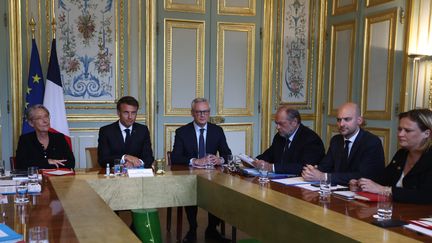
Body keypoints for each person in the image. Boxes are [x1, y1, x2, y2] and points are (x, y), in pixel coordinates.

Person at [171, 98, 231, 243]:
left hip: (212, 175)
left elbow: (227, 154)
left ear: (209, 113)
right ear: (192, 113)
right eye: (198, 112)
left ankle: (211, 229)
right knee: (191, 189)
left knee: (218, 191)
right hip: (191, 175)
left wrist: (220, 160)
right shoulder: (182, 132)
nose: (202, 115)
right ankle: (192, 229)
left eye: (205, 112)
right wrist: (195, 161)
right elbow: (175, 157)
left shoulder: (217, 131)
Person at [350, 109, 432, 204]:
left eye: (407, 130)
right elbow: (383, 180)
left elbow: (426, 196)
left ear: (426, 133)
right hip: (394, 211)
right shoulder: (401, 154)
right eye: (399, 129)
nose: (400, 134)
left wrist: (385, 190)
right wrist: (362, 184)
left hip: (421, 215)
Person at [302, 102, 384, 185]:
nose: (341, 124)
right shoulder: (336, 140)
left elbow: (363, 176)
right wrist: (313, 170)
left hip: (362, 193)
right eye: (339, 120)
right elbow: (325, 166)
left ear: (359, 120)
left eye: (347, 119)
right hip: (337, 191)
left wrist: (324, 177)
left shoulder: (371, 142)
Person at [253, 106, 325, 174]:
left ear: (294, 122)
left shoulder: (311, 139)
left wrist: (271, 167)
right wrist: (253, 162)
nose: (277, 127)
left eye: (281, 124)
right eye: (276, 123)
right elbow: (269, 155)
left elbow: (304, 167)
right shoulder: (279, 136)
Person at [98, 96, 154, 168]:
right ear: (118, 113)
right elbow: (103, 160)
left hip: (137, 175)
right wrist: (124, 157)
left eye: (133, 113)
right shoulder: (106, 131)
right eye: (126, 113)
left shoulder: (143, 130)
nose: (130, 117)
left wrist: (135, 164)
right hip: (114, 175)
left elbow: (149, 158)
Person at [16, 104, 75, 169]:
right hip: (34, 178)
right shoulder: (25, 140)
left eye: (46, 116)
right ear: (31, 123)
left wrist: (39, 165)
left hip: (56, 178)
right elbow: (20, 165)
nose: (45, 121)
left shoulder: (59, 138)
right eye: (39, 118)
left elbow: (71, 162)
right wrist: (47, 162)